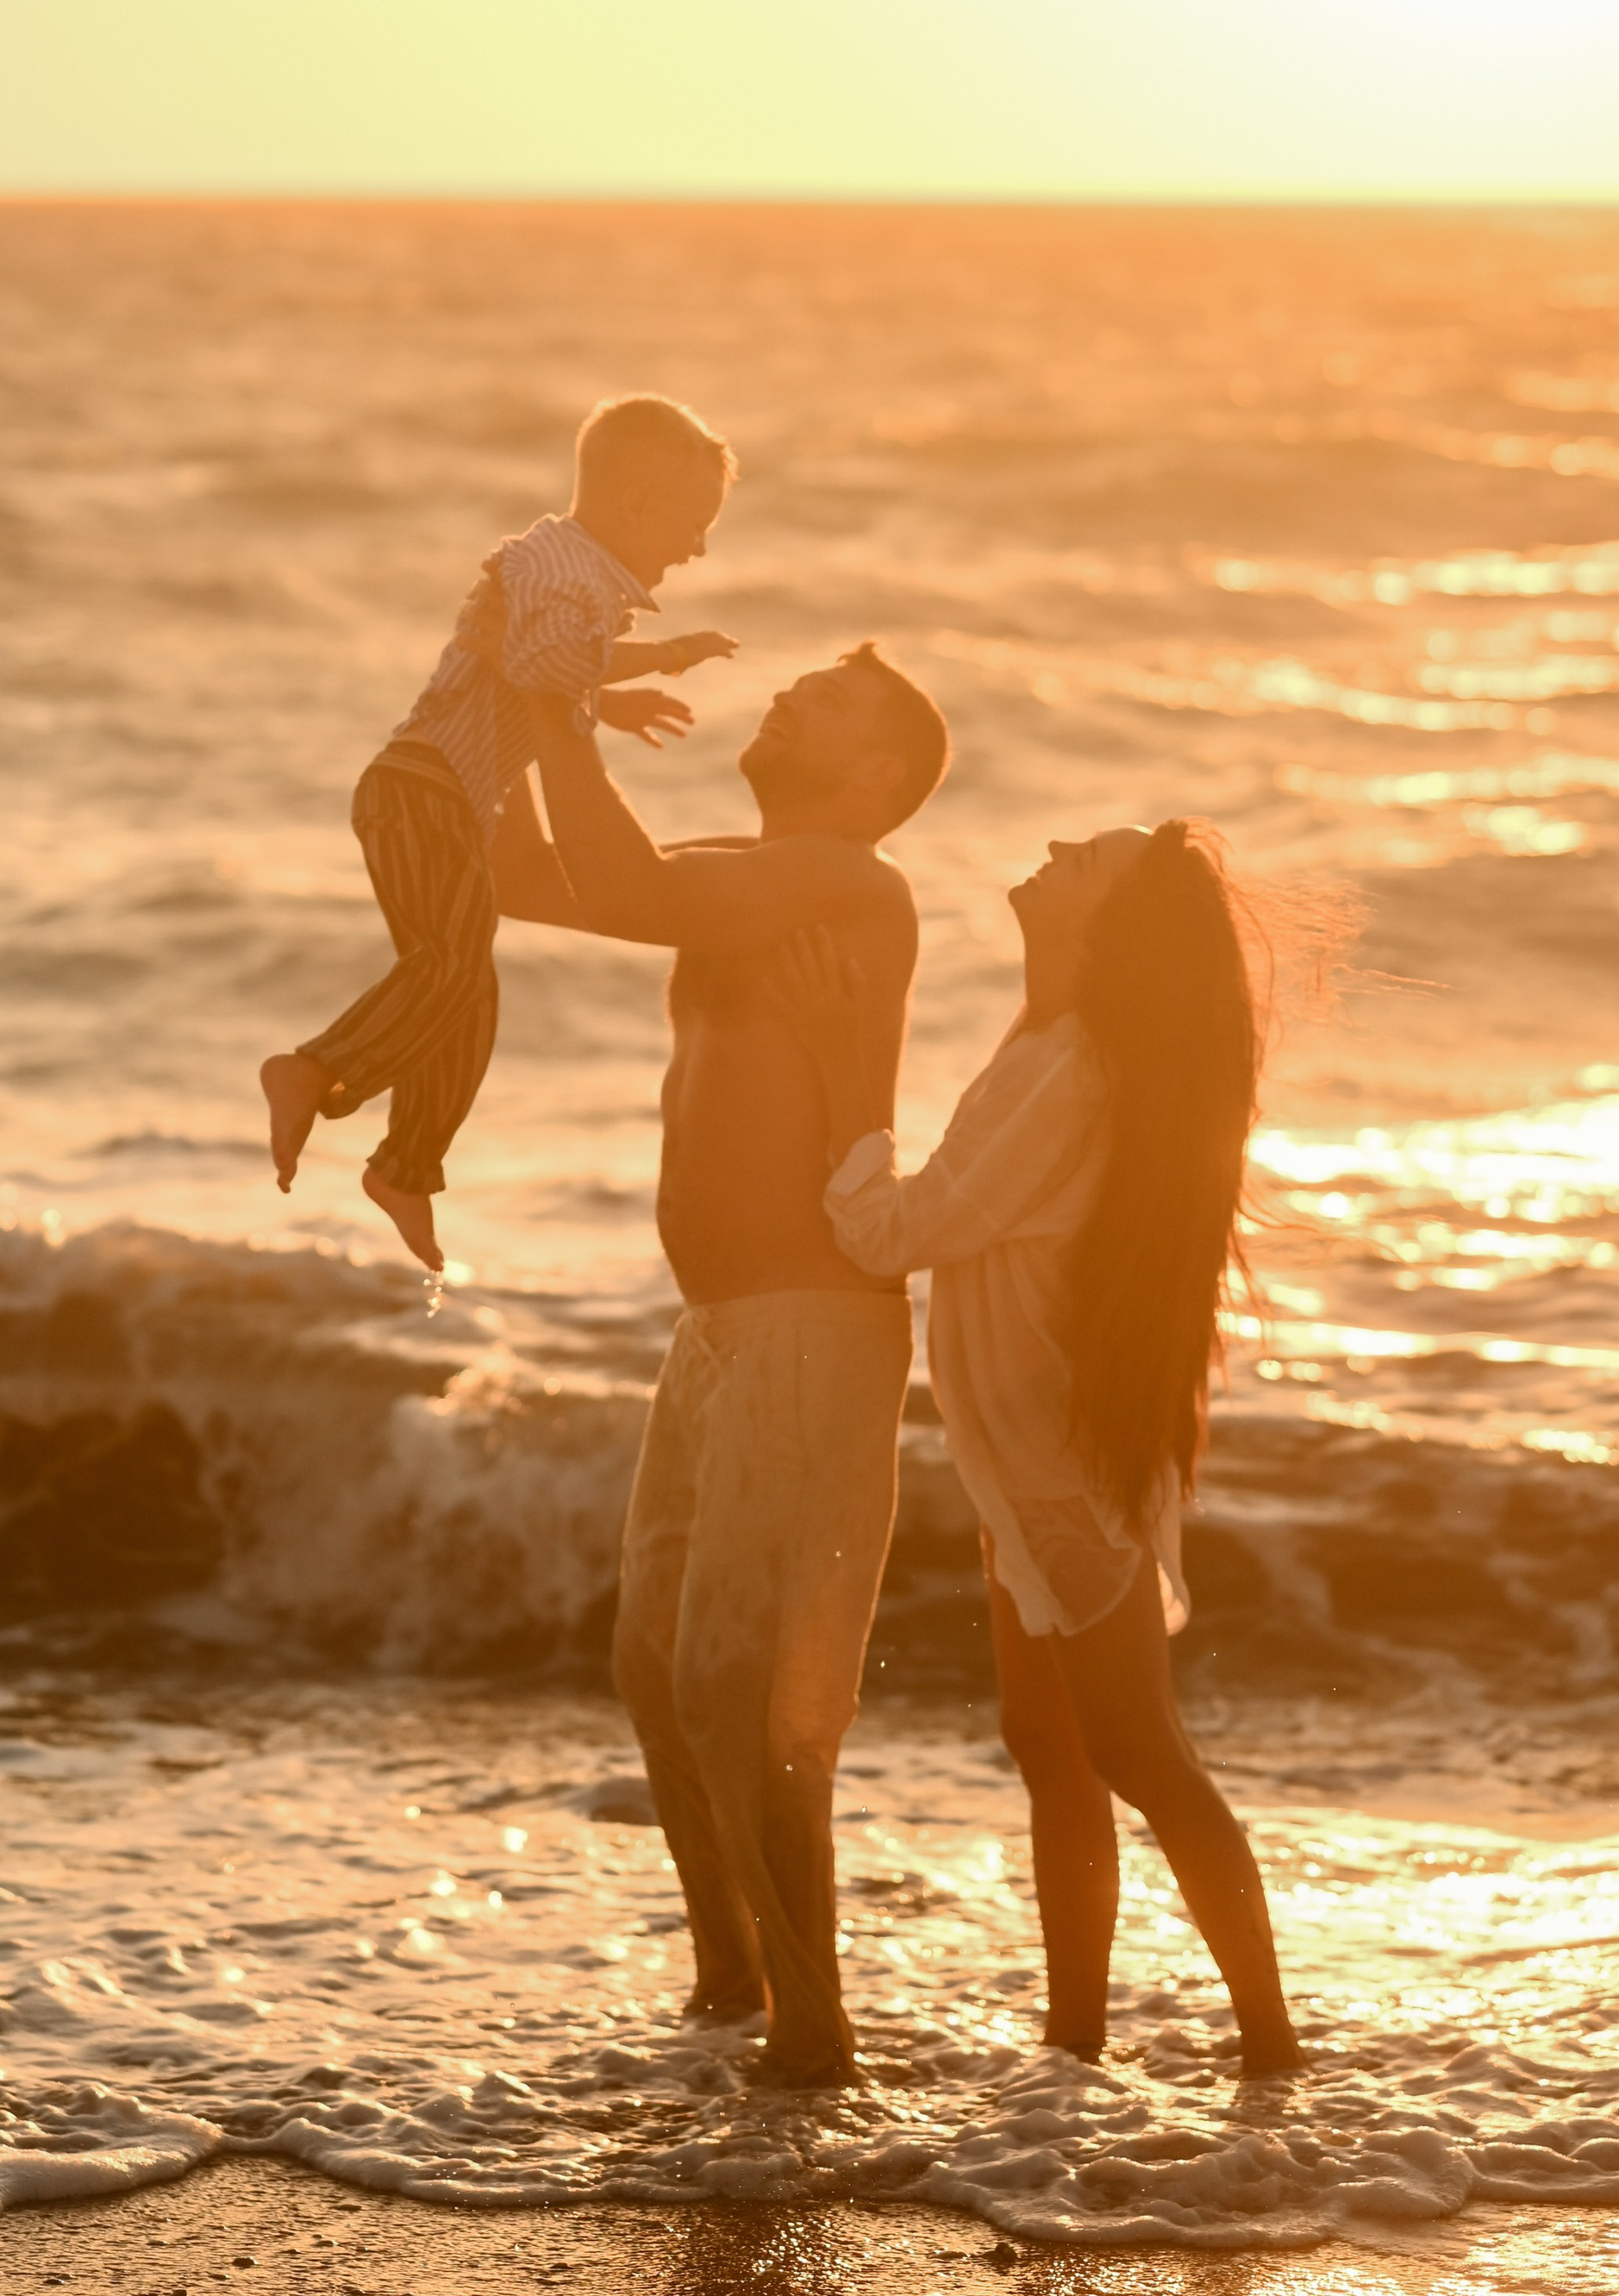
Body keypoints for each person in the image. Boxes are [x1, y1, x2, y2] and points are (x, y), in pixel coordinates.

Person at [771, 822, 1303, 2081]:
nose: (1059, 844)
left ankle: (1272, 2046)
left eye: (1090, 858)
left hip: (1061, 1463)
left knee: (1134, 1750)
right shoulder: (1054, 1048)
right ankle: (1075, 2046)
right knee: (1050, 1744)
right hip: (1033, 1457)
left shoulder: (1067, 1070)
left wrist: (846, 1064)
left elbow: (890, 1231)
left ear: (1110, 928)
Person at [490, 646, 950, 2086]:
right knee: (656, 1663)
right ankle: (727, 1976)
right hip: (720, 1328)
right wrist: (495, 695)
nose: (788, 697)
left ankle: (813, 2029)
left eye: (828, 701)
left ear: (877, 775)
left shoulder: (853, 884)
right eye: (798, 683)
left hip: (811, 1323)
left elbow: (623, 882)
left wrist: (557, 702)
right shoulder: (751, 873)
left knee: (734, 1683)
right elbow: (529, 875)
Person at [258, 394, 739, 1284]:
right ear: (637, 501)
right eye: (694, 522)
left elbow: (536, 665)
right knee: (449, 966)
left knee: (468, 990)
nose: (699, 547)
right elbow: (543, 665)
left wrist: (611, 700)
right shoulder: (565, 569)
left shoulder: (572, 572)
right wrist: (667, 655)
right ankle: (312, 1068)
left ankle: (405, 1168)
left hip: (445, 799)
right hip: (421, 790)